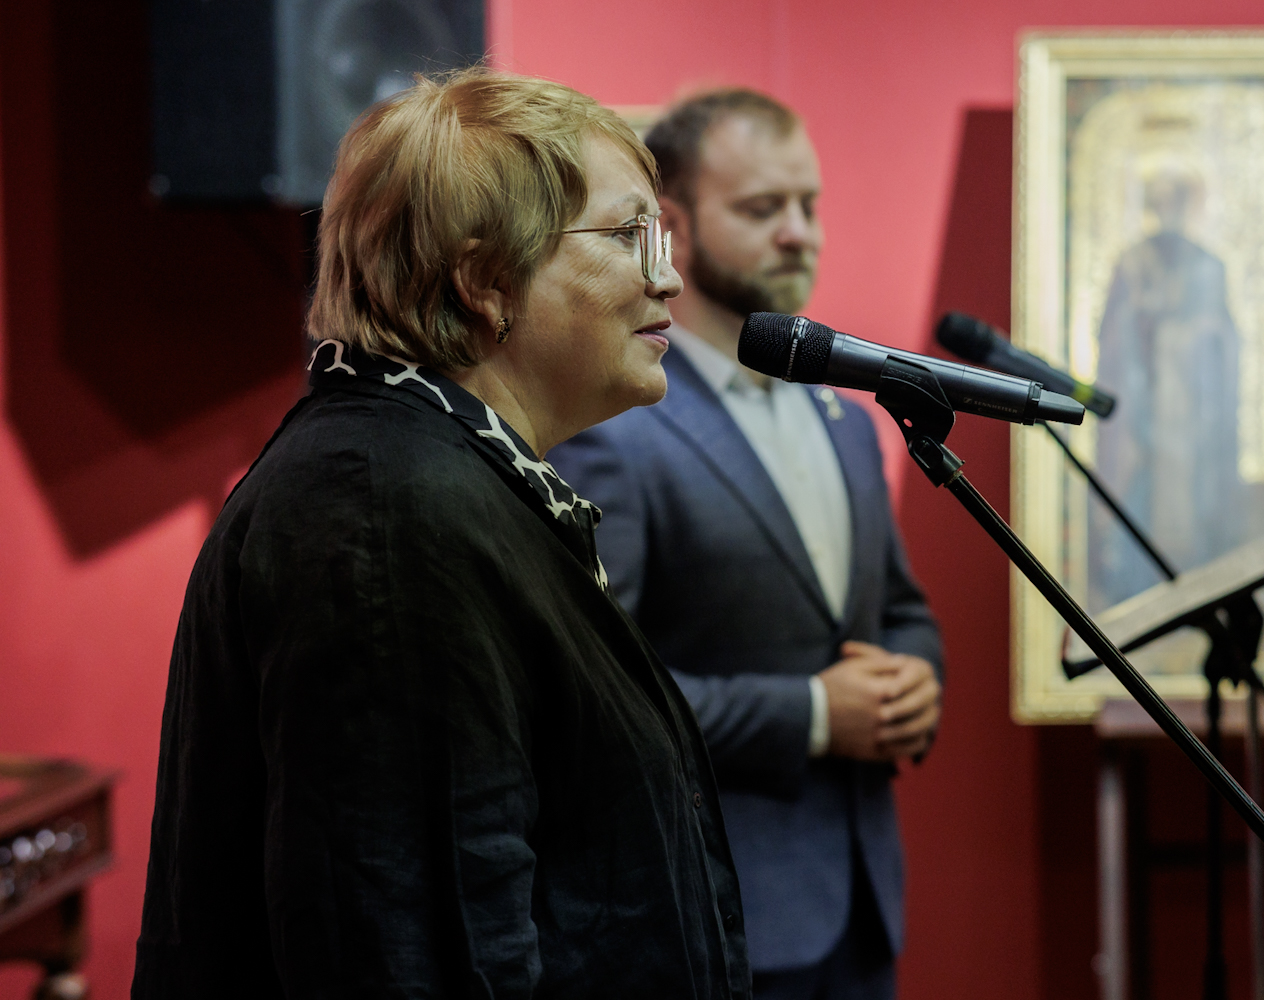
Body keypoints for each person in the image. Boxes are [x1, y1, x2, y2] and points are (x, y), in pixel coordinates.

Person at [132, 69, 750, 999]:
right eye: (629, 235)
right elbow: (414, 940)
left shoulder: (435, 477)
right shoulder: (385, 511)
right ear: (485, 281)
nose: (666, 274)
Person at [549, 89, 943, 1000]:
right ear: (675, 227)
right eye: (763, 209)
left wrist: (916, 679)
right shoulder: (617, 429)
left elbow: (900, 611)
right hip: (721, 915)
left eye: (809, 204)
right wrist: (813, 714)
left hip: (865, 906)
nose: (799, 233)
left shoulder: (848, 419)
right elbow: (602, 693)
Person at [1092, 169, 1243, 608]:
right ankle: (1137, 587)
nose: (1166, 211)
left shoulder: (1208, 265)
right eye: (1158, 203)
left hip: (1194, 407)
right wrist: (1143, 323)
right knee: (1143, 485)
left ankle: (1203, 585)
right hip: (1145, 401)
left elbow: (1226, 337)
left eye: (1173, 201)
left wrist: (1200, 334)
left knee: (1197, 494)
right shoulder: (1133, 262)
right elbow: (1113, 336)